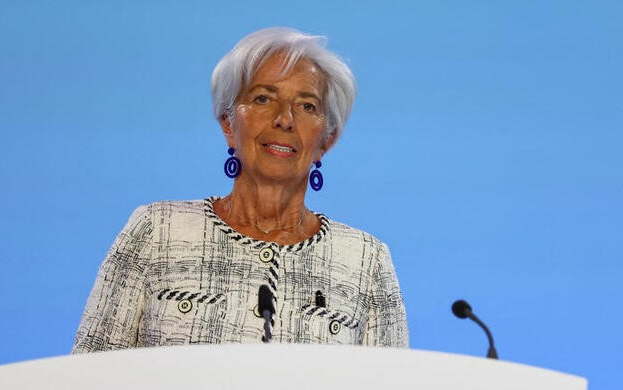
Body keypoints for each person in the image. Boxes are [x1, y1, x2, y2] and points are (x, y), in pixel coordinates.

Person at [72, 27, 408, 352]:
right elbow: (87, 379)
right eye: (263, 98)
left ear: (327, 140)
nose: (285, 119)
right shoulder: (156, 230)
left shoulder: (366, 260)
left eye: (307, 105)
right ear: (228, 123)